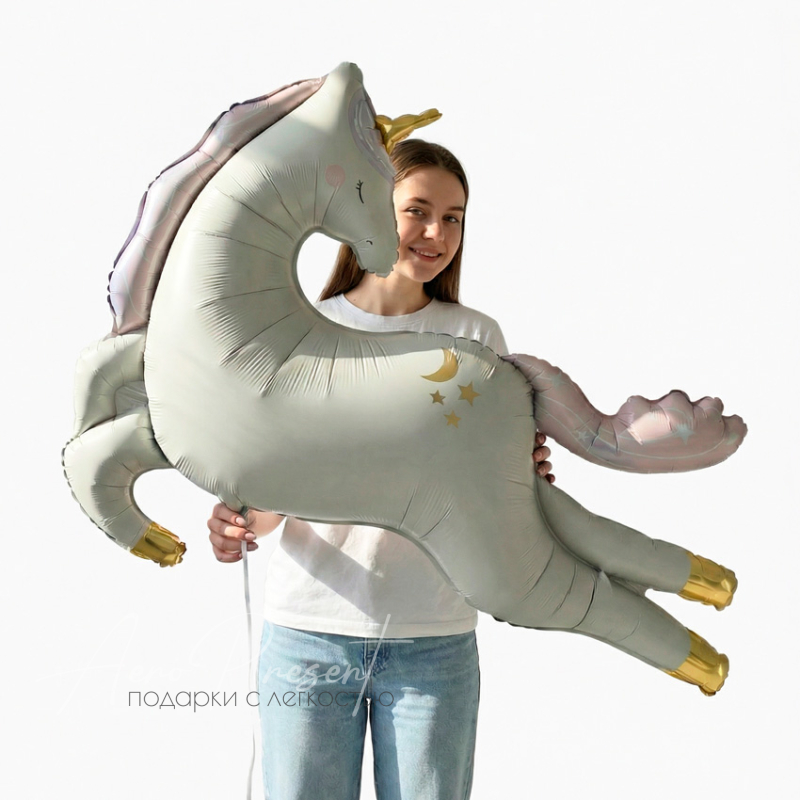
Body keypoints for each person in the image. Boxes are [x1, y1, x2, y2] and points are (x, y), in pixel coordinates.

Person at [207, 140, 554, 800]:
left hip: (434, 639)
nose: (436, 234)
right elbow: (281, 489)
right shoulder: (303, 331)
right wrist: (239, 521)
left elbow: (496, 497)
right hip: (309, 636)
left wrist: (524, 477)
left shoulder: (477, 340)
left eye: (453, 218)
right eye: (417, 210)